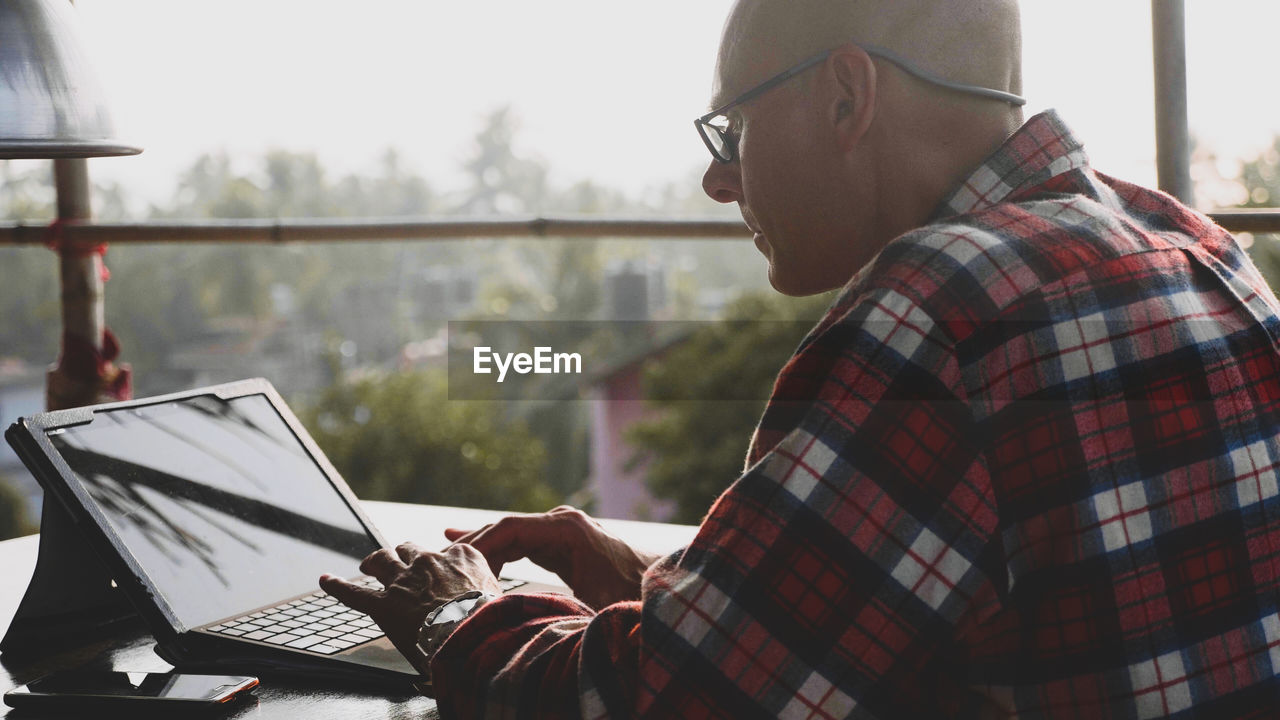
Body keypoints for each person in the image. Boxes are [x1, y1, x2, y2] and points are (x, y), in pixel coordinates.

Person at [322, 0, 1280, 716]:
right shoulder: (1192, 247)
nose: (716, 178)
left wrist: (459, 615)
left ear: (845, 96)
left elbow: (669, 707)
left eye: (731, 129)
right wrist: (670, 580)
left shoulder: (937, 305)